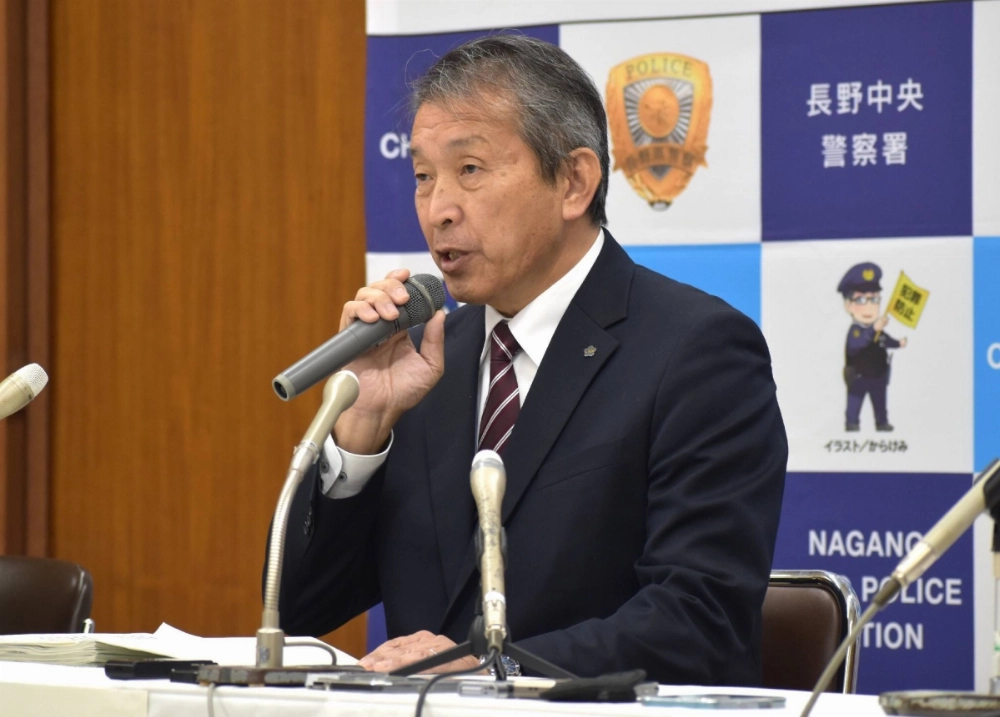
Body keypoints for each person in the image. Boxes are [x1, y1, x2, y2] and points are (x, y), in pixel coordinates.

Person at [275, 34, 786, 686]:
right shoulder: (423, 362)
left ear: (574, 181)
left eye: (470, 170)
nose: (439, 210)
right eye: (423, 177)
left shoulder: (697, 351)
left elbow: (701, 619)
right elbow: (299, 608)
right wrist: (361, 431)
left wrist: (496, 668)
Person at [837, 262, 907, 432]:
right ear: (848, 305)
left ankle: (881, 423)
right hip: (858, 377)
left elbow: (886, 340)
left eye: (874, 299)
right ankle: (851, 424)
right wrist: (873, 329)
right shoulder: (855, 331)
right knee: (854, 403)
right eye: (861, 299)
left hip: (878, 376)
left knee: (880, 402)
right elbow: (856, 345)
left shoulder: (878, 330)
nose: (869, 306)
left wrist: (898, 343)